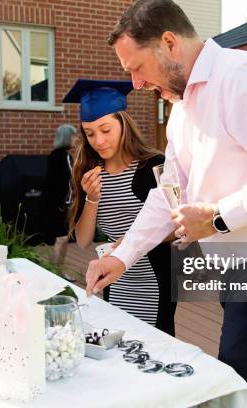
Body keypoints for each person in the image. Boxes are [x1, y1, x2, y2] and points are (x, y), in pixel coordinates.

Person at [84, 1, 247, 406]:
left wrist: (220, 218)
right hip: (243, 269)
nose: (134, 83)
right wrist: (122, 256)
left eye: (137, 67)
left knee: (245, 393)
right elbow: (166, 192)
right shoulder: (183, 110)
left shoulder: (243, 77)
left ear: (169, 43)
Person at [64, 78, 177, 335]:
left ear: (123, 124)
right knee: (119, 343)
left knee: (155, 346)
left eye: (105, 130)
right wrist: (92, 197)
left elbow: (177, 226)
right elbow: (82, 241)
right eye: (90, 133)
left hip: (154, 278)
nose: (98, 141)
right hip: (114, 278)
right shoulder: (89, 171)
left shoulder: (155, 165)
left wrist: (130, 241)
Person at [42, 124, 77, 265]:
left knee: (63, 238)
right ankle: (55, 272)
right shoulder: (63, 156)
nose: (76, 138)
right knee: (61, 238)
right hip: (59, 205)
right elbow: (69, 180)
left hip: (57, 203)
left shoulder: (55, 155)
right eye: (74, 135)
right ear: (67, 137)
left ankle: (58, 272)